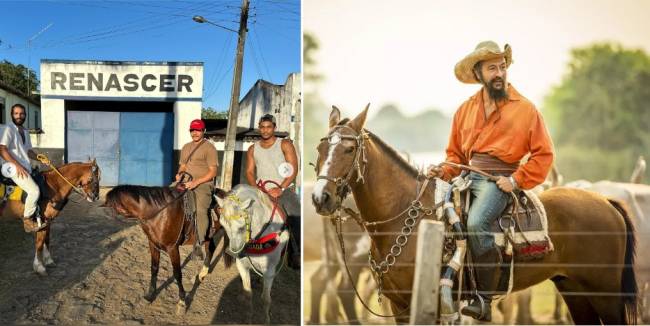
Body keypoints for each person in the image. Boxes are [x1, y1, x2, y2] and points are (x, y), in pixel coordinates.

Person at [427, 41, 554, 321]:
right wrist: (443, 171)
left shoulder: (526, 109)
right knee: (433, 213)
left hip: (499, 179)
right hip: (465, 175)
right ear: (478, 74)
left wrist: (517, 179)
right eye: (492, 68)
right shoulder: (465, 109)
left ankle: (483, 300)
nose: (499, 73)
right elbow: (455, 154)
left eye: (502, 67)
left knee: (476, 222)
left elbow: (544, 154)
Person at [245, 114, 300, 269]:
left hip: (283, 189)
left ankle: (296, 253)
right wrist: (256, 189)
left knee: (296, 215)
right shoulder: (252, 148)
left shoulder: (284, 144)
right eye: (262, 127)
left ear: (274, 127)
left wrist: (281, 188)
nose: (265, 130)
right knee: (241, 212)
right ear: (259, 127)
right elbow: (249, 172)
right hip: (262, 190)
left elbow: (293, 168)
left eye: (269, 127)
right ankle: (240, 247)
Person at [0, 103, 49, 232]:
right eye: (16, 113)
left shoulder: (25, 131)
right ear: (12, 115)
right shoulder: (8, 129)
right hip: (12, 167)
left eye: (21, 113)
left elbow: (28, 151)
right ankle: (27, 221)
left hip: (24, 166)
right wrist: (18, 166)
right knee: (34, 191)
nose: (19, 116)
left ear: (25, 115)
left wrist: (39, 157)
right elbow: (2, 149)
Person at [175, 119, 218, 259]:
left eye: (198, 130)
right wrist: (179, 174)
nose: (195, 133)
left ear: (203, 131)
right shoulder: (186, 147)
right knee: (165, 196)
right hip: (185, 181)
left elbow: (213, 172)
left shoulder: (209, 148)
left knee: (200, 210)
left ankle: (199, 243)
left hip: (203, 184)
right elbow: (183, 166)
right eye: (192, 130)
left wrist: (196, 182)